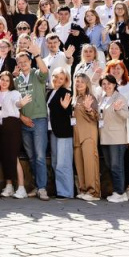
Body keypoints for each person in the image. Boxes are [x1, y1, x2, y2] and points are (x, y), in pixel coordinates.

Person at [14, 48, 50, 200]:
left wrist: (37, 55)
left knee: (40, 156)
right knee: (31, 157)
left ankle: (42, 188)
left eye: (25, 61)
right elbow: (13, 103)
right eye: (20, 62)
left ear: (30, 62)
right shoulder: (16, 81)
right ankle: (37, 185)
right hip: (24, 122)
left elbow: (45, 71)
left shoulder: (36, 74)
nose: (23, 64)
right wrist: (22, 117)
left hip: (39, 120)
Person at [97, 74, 129, 203]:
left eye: (109, 83)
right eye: (104, 84)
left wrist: (118, 110)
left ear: (114, 84)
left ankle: (120, 192)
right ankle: (119, 192)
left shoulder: (119, 97)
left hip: (116, 137)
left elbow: (126, 115)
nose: (106, 86)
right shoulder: (102, 98)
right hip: (104, 136)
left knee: (116, 166)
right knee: (110, 165)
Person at [0, 71, 28, 199]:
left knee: (14, 156)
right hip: (0, 125)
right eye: (2, 79)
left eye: (7, 80)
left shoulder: (14, 93)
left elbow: (17, 103)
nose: (4, 82)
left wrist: (21, 104)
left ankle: (21, 187)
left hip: (12, 125)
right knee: (5, 156)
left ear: (11, 82)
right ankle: (9, 186)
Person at [46, 68, 75, 200]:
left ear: (65, 80)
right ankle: (60, 189)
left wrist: (65, 108)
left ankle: (66, 192)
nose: (57, 80)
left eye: (61, 78)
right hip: (53, 131)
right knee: (55, 162)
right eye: (55, 77)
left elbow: (70, 112)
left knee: (63, 163)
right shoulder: (50, 92)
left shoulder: (66, 92)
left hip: (64, 132)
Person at [72, 72, 101, 201]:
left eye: (82, 82)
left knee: (90, 164)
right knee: (79, 163)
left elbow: (97, 117)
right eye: (77, 81)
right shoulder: (75, 98)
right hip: (77, 136)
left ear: (87, 84)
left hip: (88, 135)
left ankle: (93, 192)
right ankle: (84, 190)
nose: (79, 84)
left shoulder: (91, 98)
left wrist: (89, 109)